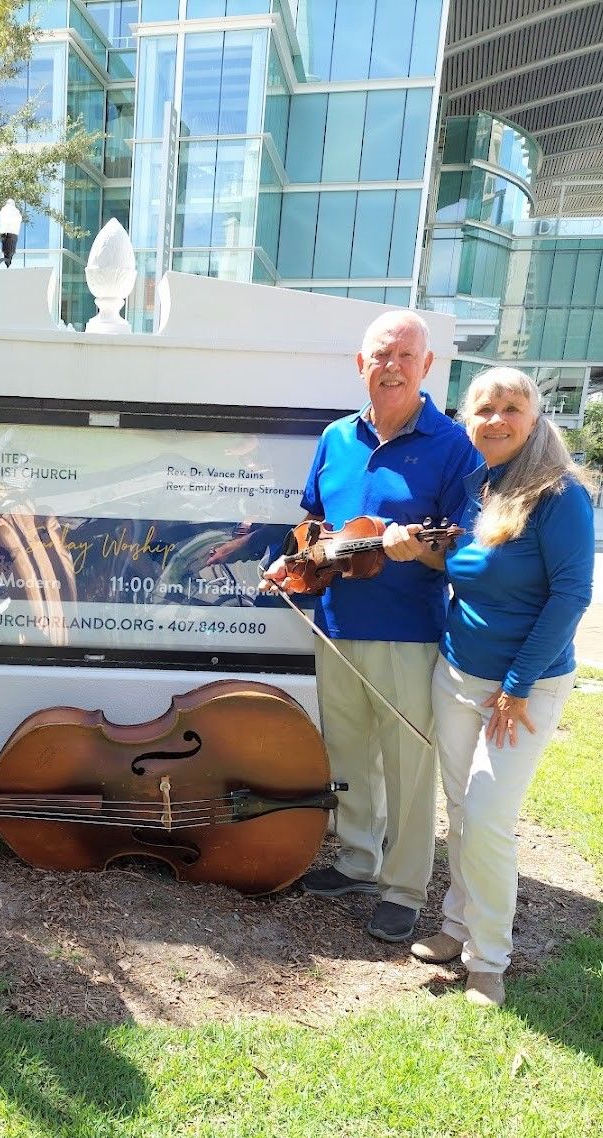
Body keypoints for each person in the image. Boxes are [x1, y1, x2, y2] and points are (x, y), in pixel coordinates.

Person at [263, 310, 479, 943]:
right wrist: (291, 559)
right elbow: (314, 526)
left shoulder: (454, 444)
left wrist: (424, 551)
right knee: (348, 751)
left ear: (427, 367)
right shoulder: (336, 439)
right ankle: (357, 860)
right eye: (380, 355)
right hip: (335, 623)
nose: (392, 366)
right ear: (361, 365)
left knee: (409, 766)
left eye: (405, 356)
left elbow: (464, 546)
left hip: (409, 632)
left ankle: (405, 888)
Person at [404, 368, 594, 1007]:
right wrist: (411, 551)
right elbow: (462, 562)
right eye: (485, 408)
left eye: (513, 408)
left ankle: (489, 957)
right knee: (460, 809)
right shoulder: (475, 486)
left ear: (535, 418)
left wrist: (515, 686)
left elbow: (571, 595)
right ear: (469, 419)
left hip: (526, 686)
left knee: (486, 815)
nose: (497, 419)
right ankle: (457, 923)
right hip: (457, 671)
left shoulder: (560, 495)